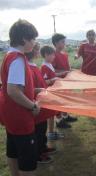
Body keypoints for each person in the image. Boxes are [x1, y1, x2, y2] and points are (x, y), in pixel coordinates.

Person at [0, 19, 40, 176]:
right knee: (28, 161)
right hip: (20, 116)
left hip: (11, 115)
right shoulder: (18, 59)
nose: (34, 42)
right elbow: (13, 90)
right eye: (33, 39)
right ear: (24, 39)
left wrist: (36, 90)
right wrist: (33, 106)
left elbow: (16, 87)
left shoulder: (8, 56)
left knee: (13, 151)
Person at [25, 43, 57, 164]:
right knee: (38, 130)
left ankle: (43, 148)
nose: (39, 52)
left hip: (41, 103)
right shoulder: (28, 67)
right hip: (35, 104)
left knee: (42, 128)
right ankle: (38, 154)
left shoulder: (33, 66)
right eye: (37, 50)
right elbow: (29, 89)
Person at [40, 45, 69, 140]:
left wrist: (61, 74)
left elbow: (53, 75)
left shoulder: (49, 65)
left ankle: (52, 131)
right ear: (46, 55)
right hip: (49, 93)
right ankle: (51, 133)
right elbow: (44, 81)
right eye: (52, 55)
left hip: (53, 92)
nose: (54, 56)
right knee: (50, 114)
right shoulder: (44, 66)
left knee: (52, 113)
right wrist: (53, 80)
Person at [52, 33, 77, 125]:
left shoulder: (64, 54)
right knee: (58, 100)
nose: (64, 44)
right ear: (56, 43)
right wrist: (65, 71)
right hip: (58, 82)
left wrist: (71, 71)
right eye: (62, 42)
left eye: (64, 42)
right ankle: (59, 119)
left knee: (65, 99)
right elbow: (53, 70)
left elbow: (67, 67)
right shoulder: (53, 54)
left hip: (66, 81)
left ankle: (65, 116)